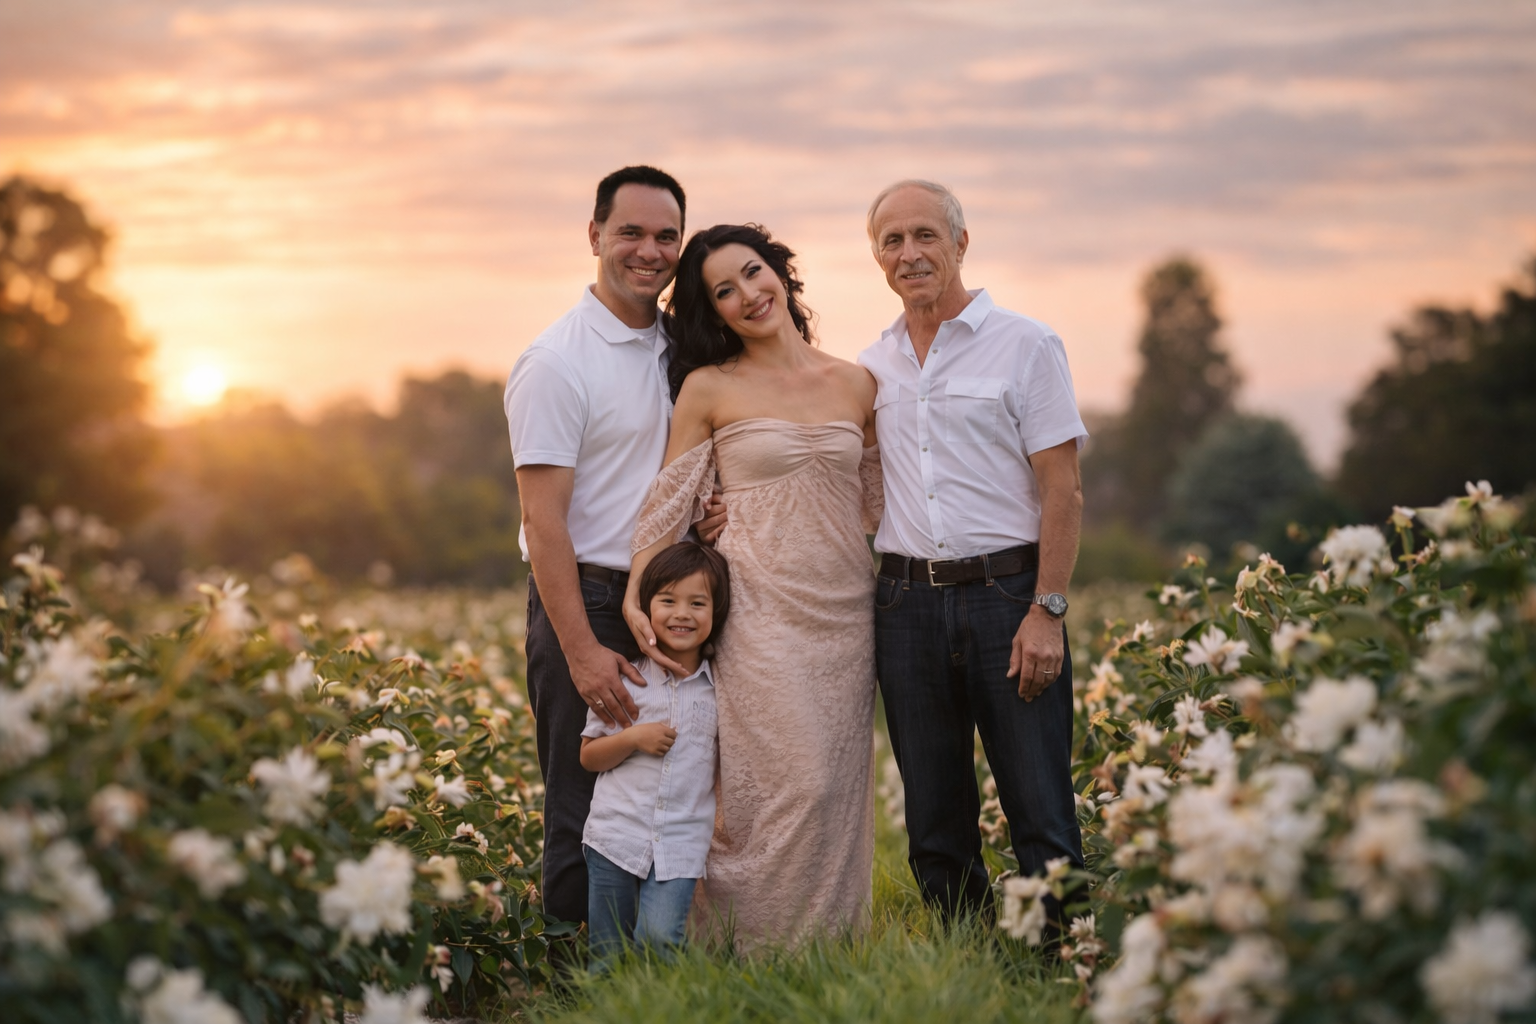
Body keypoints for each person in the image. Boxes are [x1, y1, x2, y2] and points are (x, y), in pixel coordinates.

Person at [623, 223, 884, 949]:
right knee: (778, 787)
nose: (747, 295)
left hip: (844, 612)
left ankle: (829, 953)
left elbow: (880, 502)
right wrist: (637, 584)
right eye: (724, 292)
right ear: (715, 313)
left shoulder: (859, 382)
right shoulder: (710, 387)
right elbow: (671, 498)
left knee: (835, 789)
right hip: (759, 611)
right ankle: (742, 947)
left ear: (780, 272)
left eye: (753, 272)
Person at [857, 180, 1087, 938]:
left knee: (1041, 806)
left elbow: (1064, 490)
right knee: (933, 814)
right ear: (877, 257)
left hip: (1006, 594)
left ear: (961, 243)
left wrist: (1046, 610)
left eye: (925, 235)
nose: (910, 253)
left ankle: (1061, 963)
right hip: (904, 605)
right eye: (892, 241)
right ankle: (968, 960)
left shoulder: (1026, 344)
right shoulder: (873, 366)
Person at [504, 166, 726, 936]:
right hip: (591, 602)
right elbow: (545, 523)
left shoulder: (681, 348)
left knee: (676, 791)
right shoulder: (557, 361)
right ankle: (581, 985)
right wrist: (581, 651)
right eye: (630, 232)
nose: (649, 251)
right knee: (584, 801)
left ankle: (656, 975)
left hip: (676, 603)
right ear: (594, 235)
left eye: (667, 236)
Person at [580, 541, 728, 970]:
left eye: (697, 603)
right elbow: (588, 756)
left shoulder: (721, 691)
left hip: (681, 843)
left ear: (716, 613)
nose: (682, 613)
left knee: (660, 941)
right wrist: (633, 738)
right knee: (606, 956)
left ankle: (664, 1007)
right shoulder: (626, 680)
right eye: (668, 600)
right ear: (644, 607)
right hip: (615, 836)